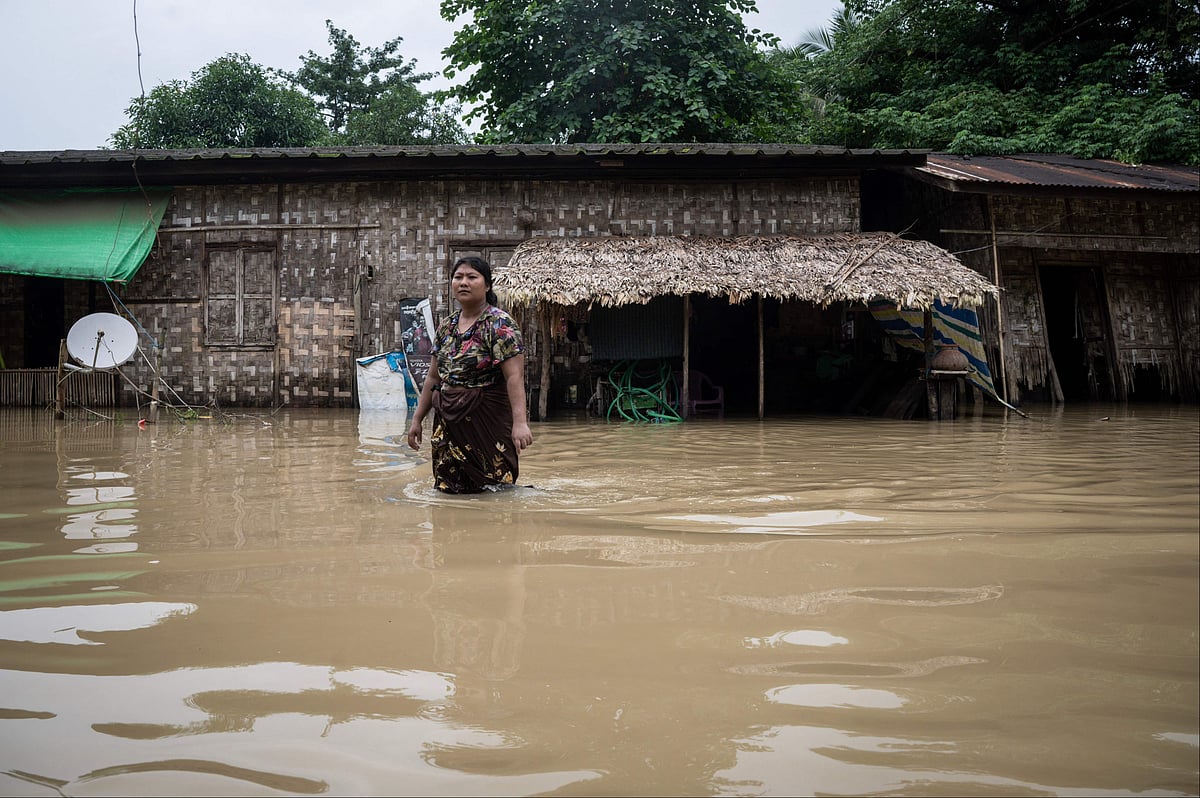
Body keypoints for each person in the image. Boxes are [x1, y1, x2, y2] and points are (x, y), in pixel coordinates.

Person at [406, 256, 533, 493]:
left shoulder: (500, 325)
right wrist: (417, 419)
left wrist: (520, 423)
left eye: (472, 277)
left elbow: (514, 377)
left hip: (487, 419)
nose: (463, 282)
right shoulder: (447, 326)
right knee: (447, 488)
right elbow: (434, 378)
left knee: (493, 488)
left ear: (486, 285)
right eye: (458, 277)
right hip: (448, 421)